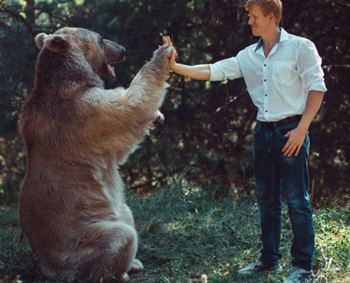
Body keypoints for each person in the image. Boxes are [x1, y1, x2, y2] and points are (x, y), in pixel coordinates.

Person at [165, 0, 327, 282]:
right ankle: (269, 260)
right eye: (249, 17)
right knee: (267, 200)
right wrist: (176, 67)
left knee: (297, 201)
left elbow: (317, 87)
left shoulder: (301, 47)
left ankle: (302, 268)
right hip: (262, 134)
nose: (249, 22)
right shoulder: (248, 56)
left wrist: (301, 129)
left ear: (271, 16)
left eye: (254, 17)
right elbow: (214, 70)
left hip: (291, 132)